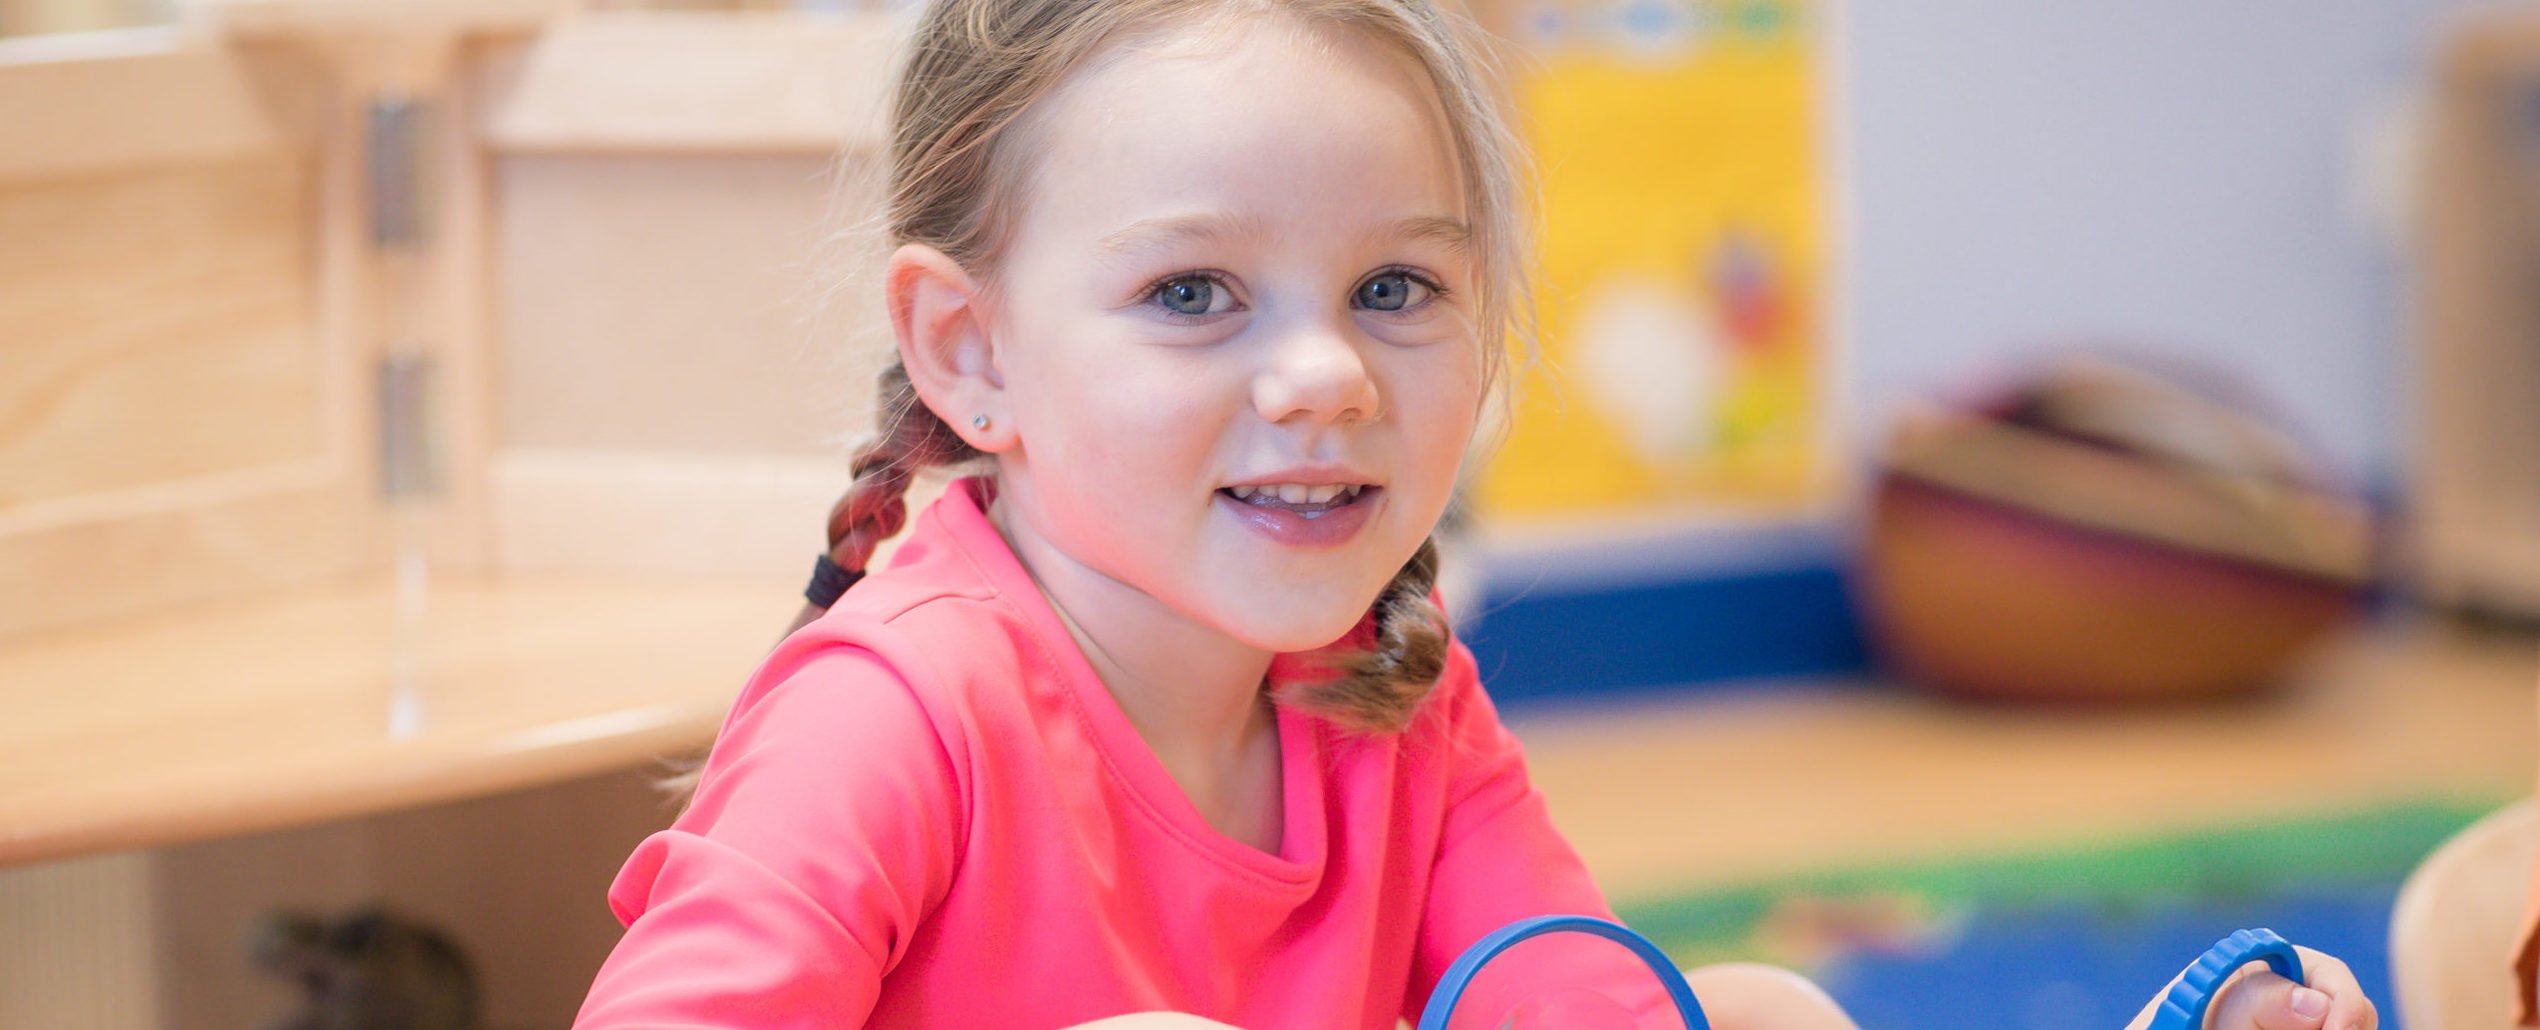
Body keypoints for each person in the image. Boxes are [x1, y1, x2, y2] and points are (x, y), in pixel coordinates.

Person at [573, 1, 2377, 1027]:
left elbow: (1563, 983)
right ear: (972, 355)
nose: (1323, 374)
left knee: (1771, 1011)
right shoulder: (888, 720)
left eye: (1396, 290)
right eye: (1194, 293)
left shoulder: (1394, 689)